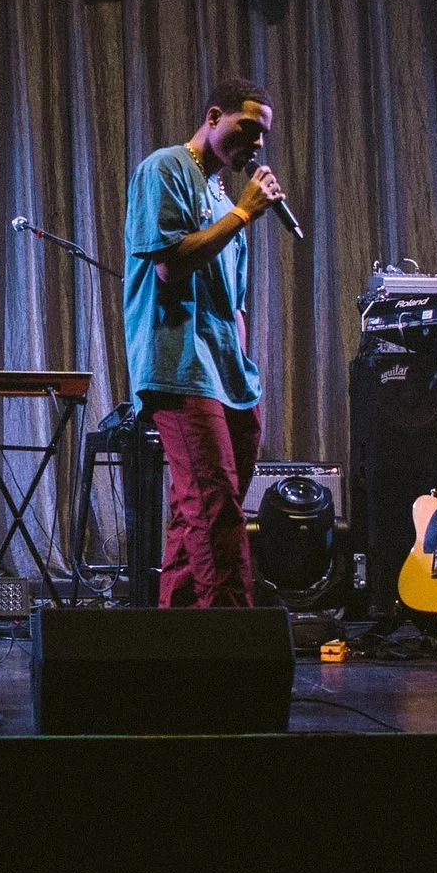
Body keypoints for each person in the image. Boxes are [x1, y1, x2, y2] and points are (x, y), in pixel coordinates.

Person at [122, 77, 289, 607]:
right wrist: (242, 215)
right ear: (214, 117)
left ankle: (178, 633)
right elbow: (170, 265)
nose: (255, 143)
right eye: (247, 127)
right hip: (180, 367)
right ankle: (232, 636)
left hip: (228, 376)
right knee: (214, 508)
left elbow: (235, 304)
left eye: (262, 135)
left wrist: (243, 366)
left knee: (194, 511)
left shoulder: (223, 195)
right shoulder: (166, 168)